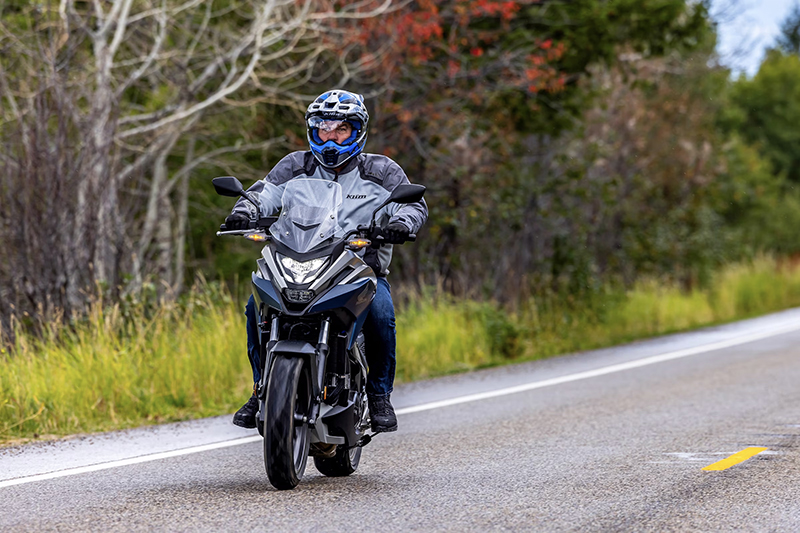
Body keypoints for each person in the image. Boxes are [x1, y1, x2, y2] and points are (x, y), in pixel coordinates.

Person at [224, 89, 428, 433]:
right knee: (253, 307)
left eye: (340, 129)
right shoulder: (293, 165)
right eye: (323, 128)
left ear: (357, 131)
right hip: (295, 263)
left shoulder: (381, 171)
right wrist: (244, 211)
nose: (330, 137)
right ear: (312, 131)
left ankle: (379, 395)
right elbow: (264, 194)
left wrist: (401, 223)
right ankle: (261, 391)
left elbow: (412, 204)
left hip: (359, 270)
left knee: (380, 314)